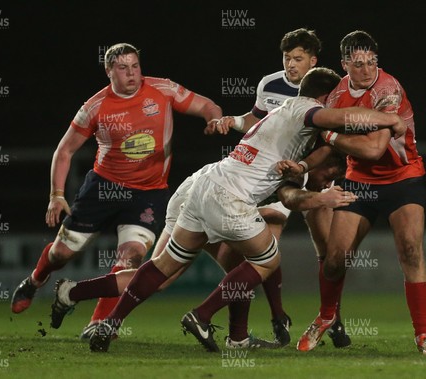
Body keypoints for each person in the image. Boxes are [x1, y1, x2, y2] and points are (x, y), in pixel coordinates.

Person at [48, 67, 405, 353]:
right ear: (325, 97)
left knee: (164, 267)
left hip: (208, 187)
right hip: (230, 196)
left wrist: (317, 193)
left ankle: (111, 322)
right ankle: (202, 316)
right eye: (334, 100)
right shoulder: (304, 109)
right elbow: (347, 119)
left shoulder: (285, 118)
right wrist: (389, 119)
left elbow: (288, 188)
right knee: (266, 260)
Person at [49, 153, 355, 350]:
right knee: (252, 261)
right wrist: (277, 314)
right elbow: (271, 235)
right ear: (322, 164)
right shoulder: (292, 175)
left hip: (201, 190)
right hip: (207, 199)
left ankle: (72, 293)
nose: (328, 182)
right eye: (330, 174)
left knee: (211, 268)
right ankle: (217, 326)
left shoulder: (291, 155)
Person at [9, 43, 223, 324]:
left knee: (131, 258)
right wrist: (56, 195)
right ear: (109, 71)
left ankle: (97, 324)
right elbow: (64, 151)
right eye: (123, 68)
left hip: (147, 193)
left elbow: (208, 105)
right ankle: (36, 280)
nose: (132, 74)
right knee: (62, 254)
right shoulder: (95, 106)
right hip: (102, 189)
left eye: (135, 66)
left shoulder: (163, 89)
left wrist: (214, 119)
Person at [294, 30, 426, 355]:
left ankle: (423, 335)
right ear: (345, 64)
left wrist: (330, 136)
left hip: (403, 178)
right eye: (358, 64)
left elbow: (375, 149)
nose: (366, 70)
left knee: (411, 252)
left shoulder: (387, 90)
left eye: (371, 62)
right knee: (334, 260)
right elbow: (325, 147)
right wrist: (303, 167)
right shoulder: (335, 98)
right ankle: (325, 318)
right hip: (359, 182)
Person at [215, 27, 350, 348]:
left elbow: (331, 138)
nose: (291, 64)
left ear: (313, 61)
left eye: (298, 59)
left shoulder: (327, 88)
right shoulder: (270, 84)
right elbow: (256, 120)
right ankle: (277, 316)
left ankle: (332, 318)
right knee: (263, 251)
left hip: (312, 174)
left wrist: (314, 166)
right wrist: (232, 121)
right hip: (275, 175)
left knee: (329, 252)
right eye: (287, 58)